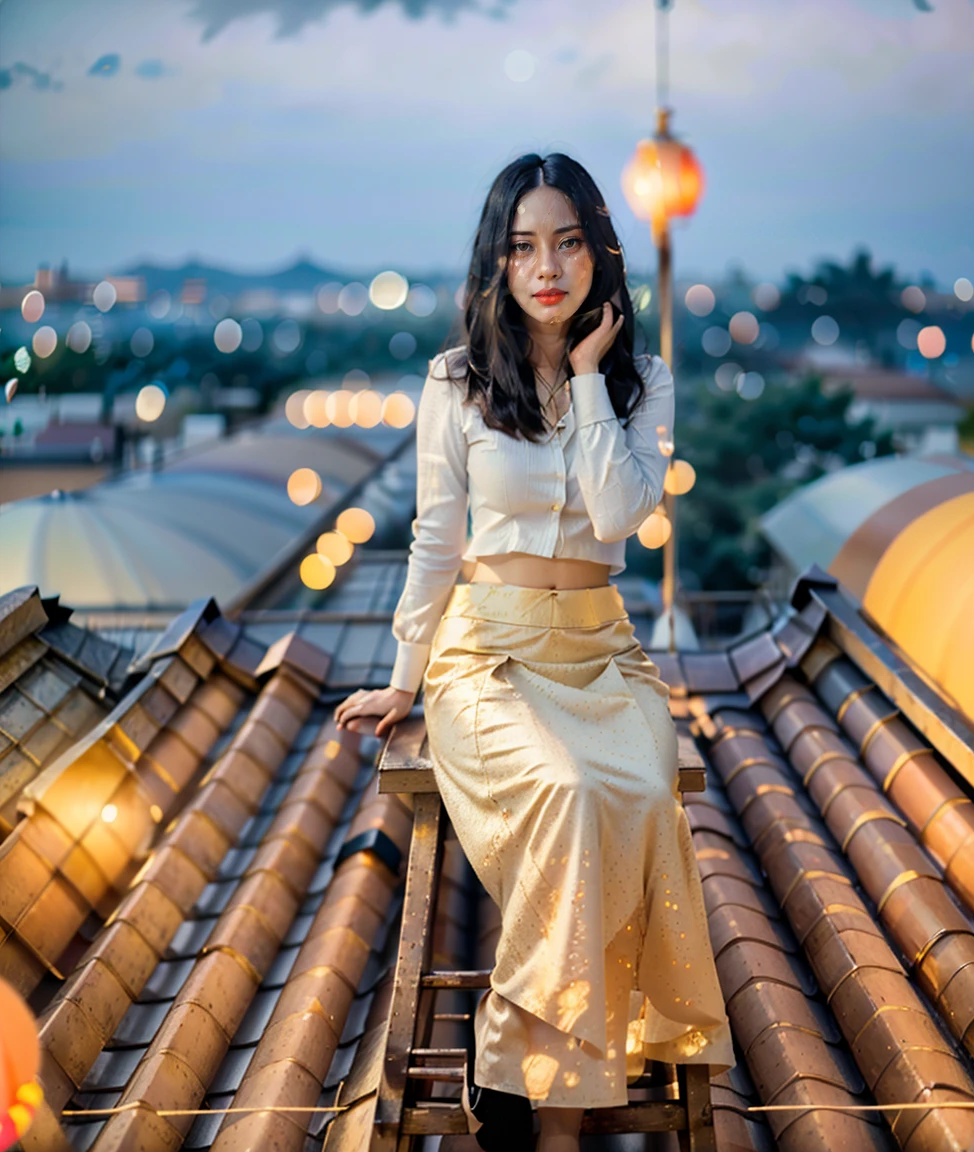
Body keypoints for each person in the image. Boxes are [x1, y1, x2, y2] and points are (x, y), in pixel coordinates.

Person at [334, 152, 733, 1152]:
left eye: (564, 242)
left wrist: (592, 380)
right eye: (522, 246)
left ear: (600, 249)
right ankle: (527, 1086)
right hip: (491, 652)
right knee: (565, 794)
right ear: (497, 262)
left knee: (637, 798)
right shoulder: (457, 382)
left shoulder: (645, 382)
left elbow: (617, 513)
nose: (545, 266)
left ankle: (535, 1104)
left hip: (603, 652)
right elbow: (435, 539)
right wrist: (403, 678)